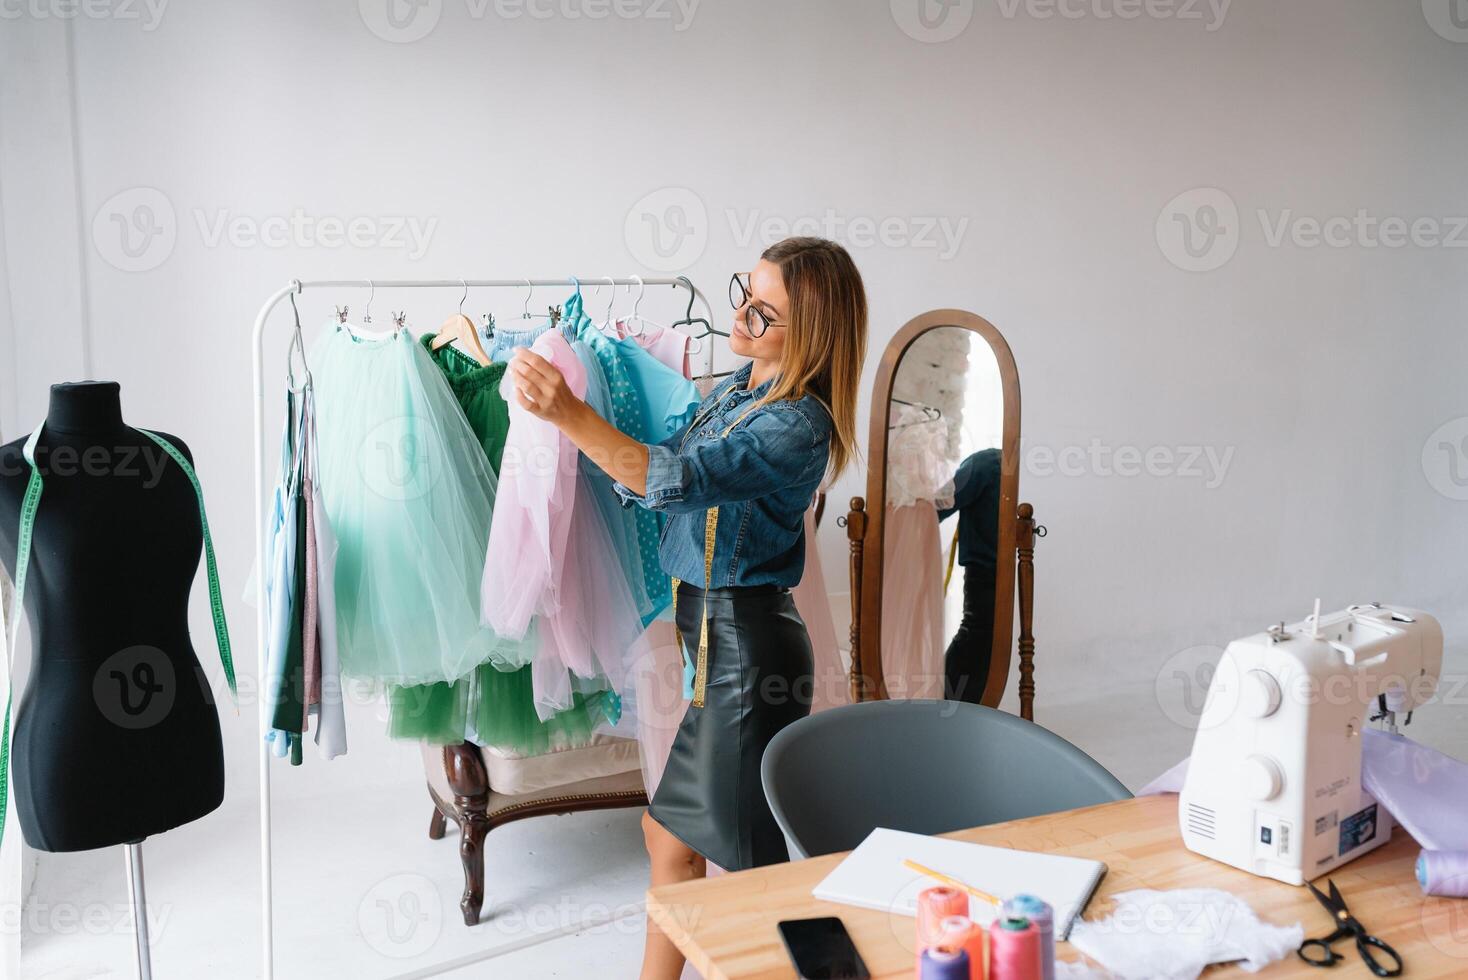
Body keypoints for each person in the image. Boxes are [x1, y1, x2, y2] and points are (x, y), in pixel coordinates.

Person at [505, 237, 867, 980]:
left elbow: (672, 474)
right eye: (747, 292)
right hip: (715, 640)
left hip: (747, 649)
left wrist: (571, 413)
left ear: (814, 332)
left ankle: (828, 969)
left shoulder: (797, 425)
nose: (742, 314)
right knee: (672, 840)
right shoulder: (738, 390)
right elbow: (656, 465)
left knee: (748, 870)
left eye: (766, 311)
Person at [937, 448, 1002, 703]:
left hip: (982, 567)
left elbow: (942, 503)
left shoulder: (982, 463)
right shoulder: (1006, 467)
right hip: (1002, 568)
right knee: (984, 638)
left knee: (974, 633)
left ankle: (944, 697)